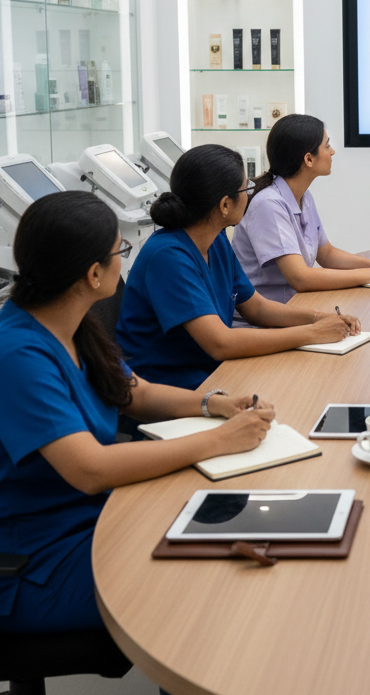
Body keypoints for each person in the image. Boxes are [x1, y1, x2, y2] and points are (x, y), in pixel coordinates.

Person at [0, 191, 276, 634]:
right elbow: (90, 469)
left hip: (100, 515)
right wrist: (218, 440)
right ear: (93, 274)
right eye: (119, 252)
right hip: (38, 558)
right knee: (203, 590)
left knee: (229, 531)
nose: (122, 261)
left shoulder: (71, 323)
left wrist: (214, 404)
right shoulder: (18, 354)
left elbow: (136, 393)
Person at [118, 144, 358, 390]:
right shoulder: (168, 257)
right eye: (246, 188)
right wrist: (313, 333)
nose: (250, 193)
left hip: (210, 370)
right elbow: (220, 343)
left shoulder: (216, 239)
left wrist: (320, 319)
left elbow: (257, 308)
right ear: (224, 205)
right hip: (170, 386)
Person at [232, 114, 370, 302]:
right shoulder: (267, 204)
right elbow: (300, 278)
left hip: (296, 305)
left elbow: (326, 254)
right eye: (327, 146)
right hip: (265, 321)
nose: (333, 151)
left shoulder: (304, 196)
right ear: (309, 159)